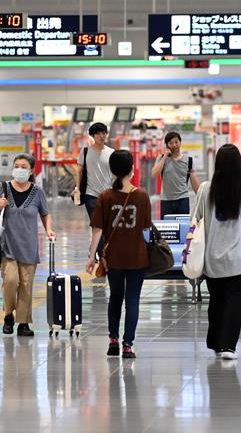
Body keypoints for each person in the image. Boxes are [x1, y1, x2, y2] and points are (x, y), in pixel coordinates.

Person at [191, 144, 241, 360]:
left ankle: (215, 342)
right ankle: (228, 346)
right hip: (238, 259)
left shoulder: (205, 189)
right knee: (234, 302)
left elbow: (196, 219)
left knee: (217, 300)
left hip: (212, 258)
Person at [84, 150, 151, 359]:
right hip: (137, 256)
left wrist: (91, 257)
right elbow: (146, 229)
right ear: (131, 169)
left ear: (112, 170)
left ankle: (113, 339)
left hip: (113, 257)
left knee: (115, 297)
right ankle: (127, 345)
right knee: (132, 300)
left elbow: (97, 230)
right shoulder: (142, 196)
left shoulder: (105, 196)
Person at [0, 154, 55, 338]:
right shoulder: (3, 187)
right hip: (7, 245)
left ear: (31, 171)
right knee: (10, 280)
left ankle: (23, 323)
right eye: (17, 166)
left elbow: (45, 213)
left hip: (29, 246)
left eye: (24, 167)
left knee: (26, 285)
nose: (19, 169)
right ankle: (8, 315)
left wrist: (49, 230)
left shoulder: (37, 192)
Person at [151, 131, 201, 219]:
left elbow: (194, 182)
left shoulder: (188, 160)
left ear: (180, 142)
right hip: (166, 200)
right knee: (167, 226)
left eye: (176, 142)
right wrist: (165, 157)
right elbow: (154, 174)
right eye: (171, 143)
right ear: (167, 145)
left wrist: (200, 195)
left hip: (183, 200)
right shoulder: (161, 158)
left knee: (183, 225)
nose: (174, 145)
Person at [74, 122, 115, 222]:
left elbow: (116, 173)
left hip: (109, 194)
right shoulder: (85, 151)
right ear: (92, 135)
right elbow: (79, 172)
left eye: (104, 133)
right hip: (91, 194)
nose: (102, 136)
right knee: (96, 224)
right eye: (98, 133)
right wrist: (77, 188)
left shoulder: (112, 153)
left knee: (108, 224)